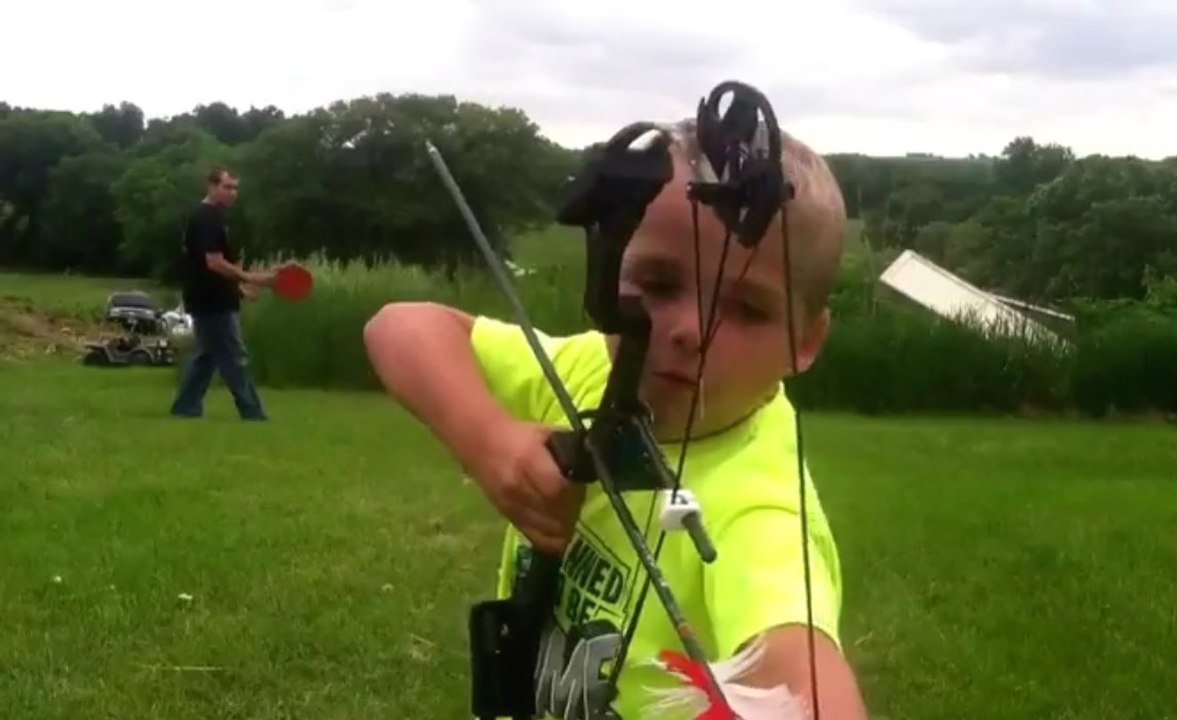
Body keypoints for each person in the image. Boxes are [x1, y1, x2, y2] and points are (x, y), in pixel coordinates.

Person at [363, 121, 870, 719]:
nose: (688, 331)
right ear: (608, 275)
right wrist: (491, 442)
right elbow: (399, 326)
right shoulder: (586, 368)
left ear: (804, 342)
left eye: (746, 308)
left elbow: (798, 667)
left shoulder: (761, 508)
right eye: (657, 283)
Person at [170, 166, 275, 421]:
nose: (233, 193)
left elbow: (212, 266)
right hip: (210, 301)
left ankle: (185, 407)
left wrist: (239, 289)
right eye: (227, 187)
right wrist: (251, 277)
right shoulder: (206, 217)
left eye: (236, 188)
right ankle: (253, 412)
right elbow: (214, 263)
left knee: (207, 356)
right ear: (212, 186)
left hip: (212, 296)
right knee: (234, 356)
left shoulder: (213, 217)